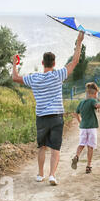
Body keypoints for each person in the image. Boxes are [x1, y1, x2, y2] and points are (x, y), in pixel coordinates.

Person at [12, 31, 84, 186]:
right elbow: (75, 61)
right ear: (54, 63)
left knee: (42, 147)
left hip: (42, 117)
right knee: (55, 148)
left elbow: (15, 78)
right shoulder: (58, 75)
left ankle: (40, 174)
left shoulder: (34, 78)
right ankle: (52, 175)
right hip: (57, 117)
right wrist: (79, 42)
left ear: (43, 63)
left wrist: (14, 64)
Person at [71, 82, 100, 173]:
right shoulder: (92, 101)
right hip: (91, 128)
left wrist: (80, 122)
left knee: (81, 144)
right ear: (94, 93)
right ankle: (88, 166)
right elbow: (97, 106)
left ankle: (76, 156)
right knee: (90, 146)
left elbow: (75, 113)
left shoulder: (82, 102)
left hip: (83, 127)